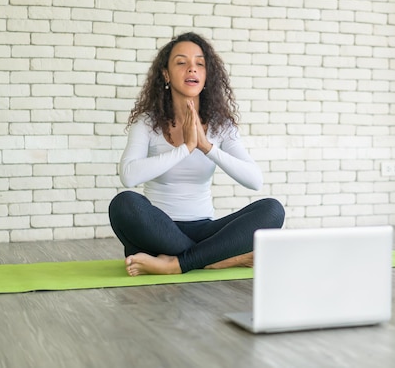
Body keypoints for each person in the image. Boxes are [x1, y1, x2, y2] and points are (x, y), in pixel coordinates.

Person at [108, 32, 285, 277]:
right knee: (124, 203)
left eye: (199, 64)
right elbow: (128, 176)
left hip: (205, 229)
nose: (192, 68)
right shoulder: (147, 123)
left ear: (206, 75)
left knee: (273, 210)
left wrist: (206, 147)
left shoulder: (221, 126)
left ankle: (175, 264)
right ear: (166, 74)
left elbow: (255, 180)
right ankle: (216, 259)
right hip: (158, 231)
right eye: (181, 62)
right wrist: (186, 148)